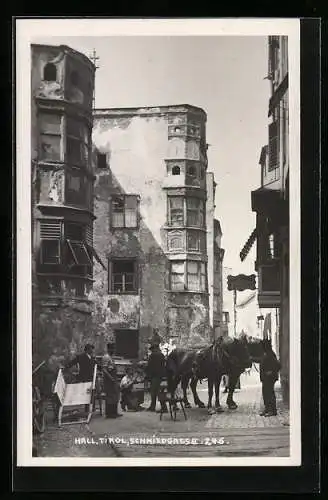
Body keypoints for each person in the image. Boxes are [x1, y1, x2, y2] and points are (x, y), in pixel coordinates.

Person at [259, 339, 281, 417]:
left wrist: (271, 371)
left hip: (270, 378)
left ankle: (273, 410)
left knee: (270, 394)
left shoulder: (271, 354)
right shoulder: (265, 354)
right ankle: (267, 409)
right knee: (265, 393)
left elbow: (278, 365)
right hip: (265, 378)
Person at [146, 344, 168, 413]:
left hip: (155, 376)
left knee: (155, 392)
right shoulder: (161, 355)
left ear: (154, 349)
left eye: (152, 349)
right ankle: (160, 407)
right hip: (161, 376)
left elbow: (149, 366)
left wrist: (148, 375)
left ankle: (160, 408)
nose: (151, 351)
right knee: (160, 392)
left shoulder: (153, 355)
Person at [102, 343, 122, 418]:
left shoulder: (111, 357)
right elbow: (104, 369)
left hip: (113, 378)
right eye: (112, 349)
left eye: (114, 349)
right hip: (109, 380)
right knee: (110, 396)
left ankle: (114, 412)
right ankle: (109, 413)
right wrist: (111, 378)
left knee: (115, 396)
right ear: (108, 349)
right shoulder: (106, 357)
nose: (113, 350)